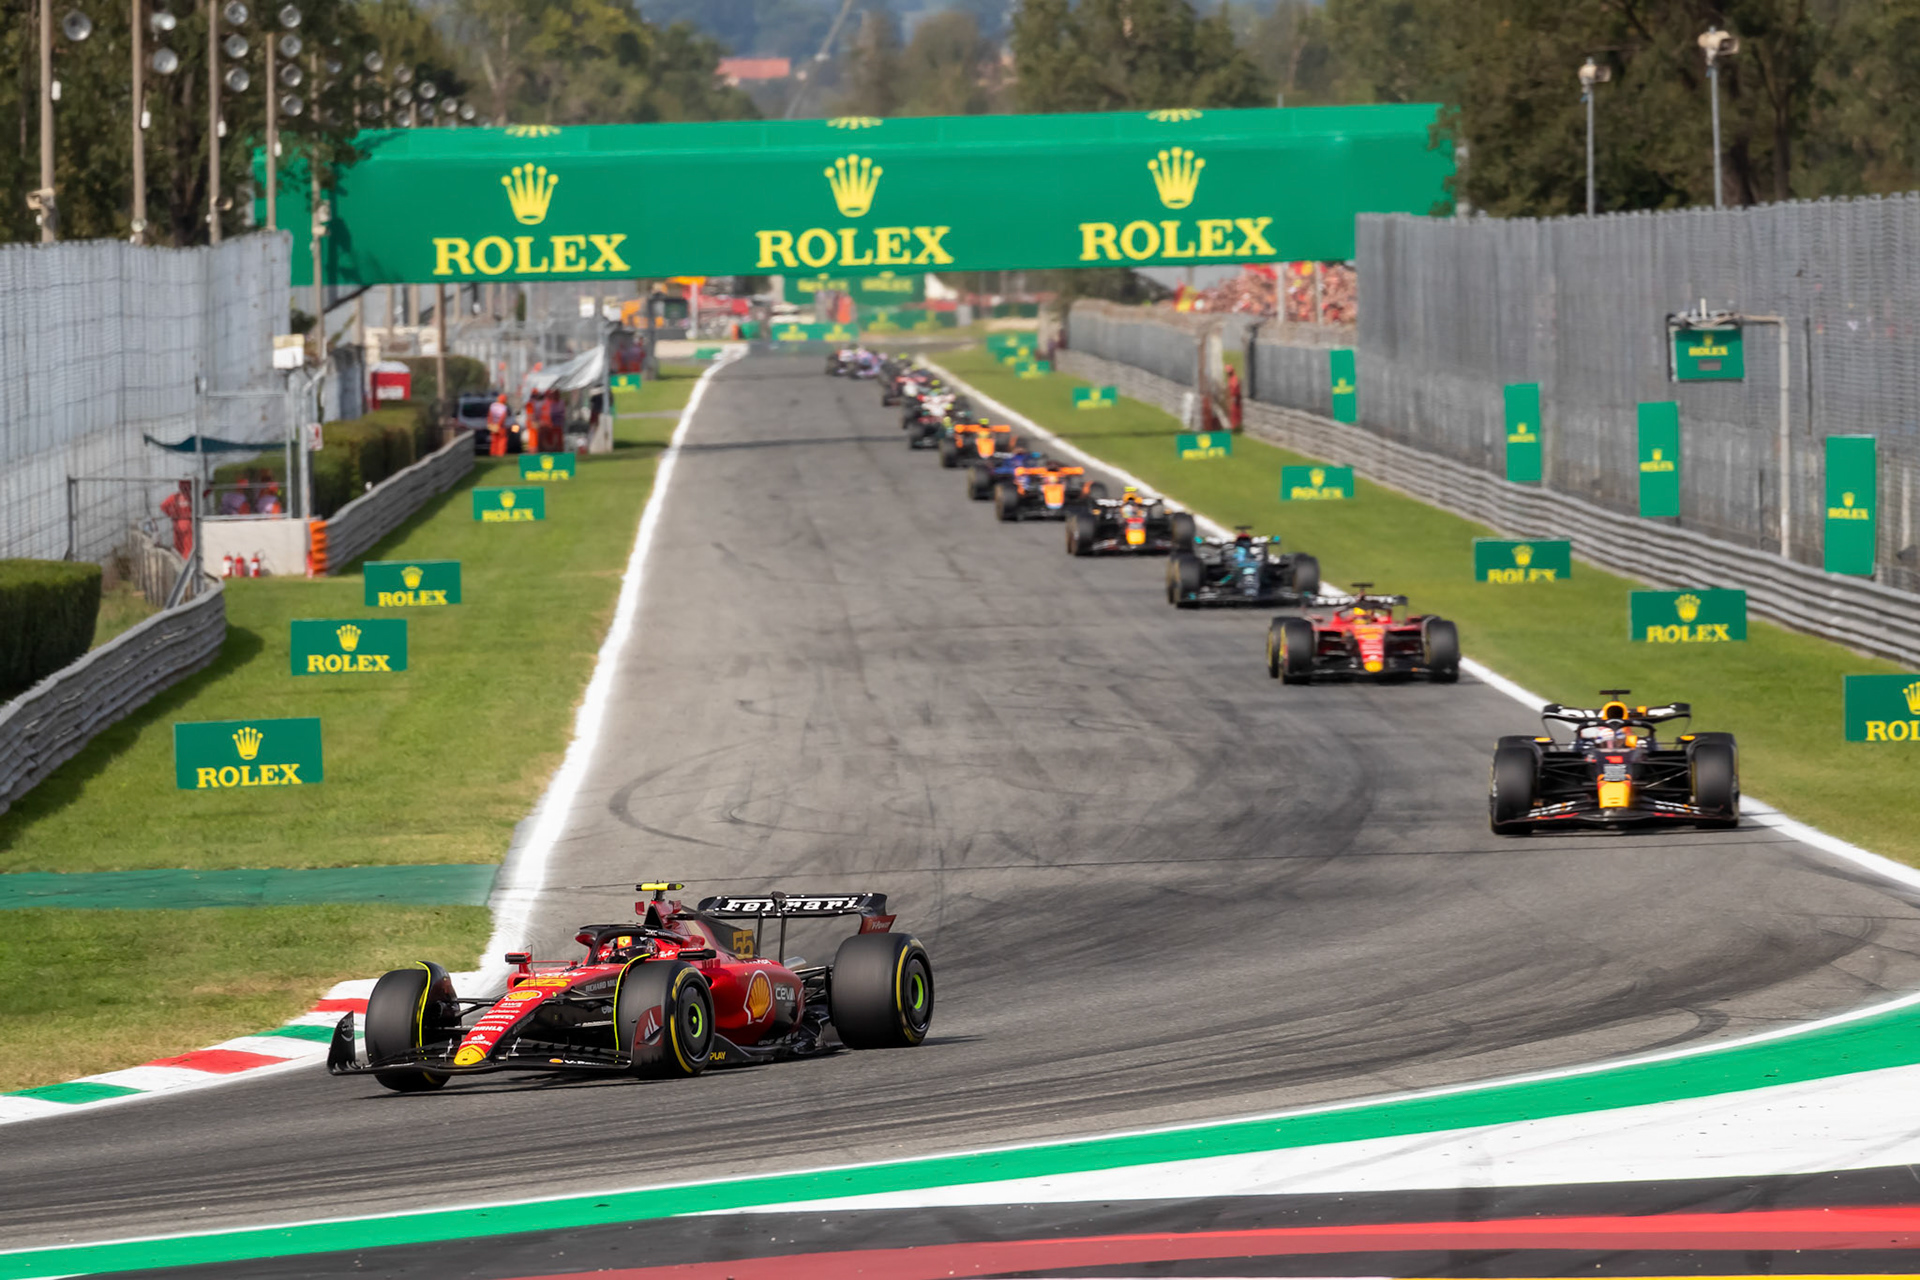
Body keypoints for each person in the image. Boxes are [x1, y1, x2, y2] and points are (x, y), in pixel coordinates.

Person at [161, 480, 194, 556]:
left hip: (177, 522)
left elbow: (163, 505)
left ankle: (180, 558)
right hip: (188, 522)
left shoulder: (175, 497)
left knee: (178, 544)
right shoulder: (189, 498)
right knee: (188, 544)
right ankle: (186, 559)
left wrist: (171, 514)